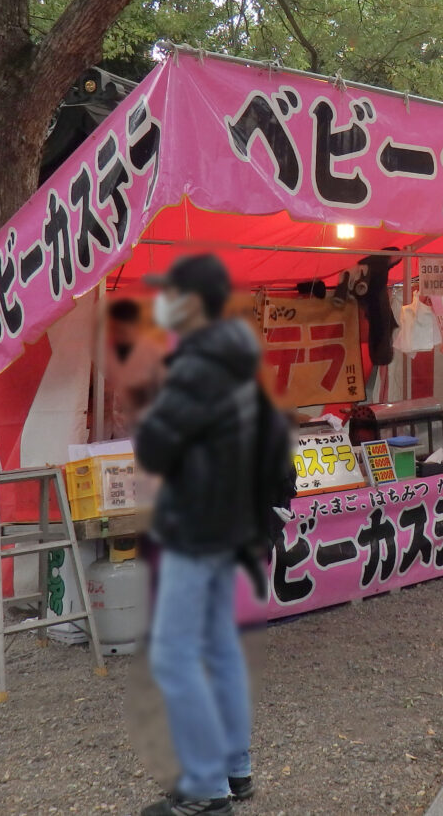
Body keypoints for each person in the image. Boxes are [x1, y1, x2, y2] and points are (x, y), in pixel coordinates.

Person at [134, 254, 260, 816]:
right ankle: (235, 769)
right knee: (220, 647)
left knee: (173, 655)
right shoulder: (238, 361)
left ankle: (205, 790)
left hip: (194, 526)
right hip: (229, 523)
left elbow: (155, 447)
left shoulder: (193, 364)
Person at [103, 298, 168, 438]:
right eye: (114, 329)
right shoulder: (107, 352)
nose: (118, 334)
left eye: (123, 330)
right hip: (112, 430)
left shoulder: (155, 353)